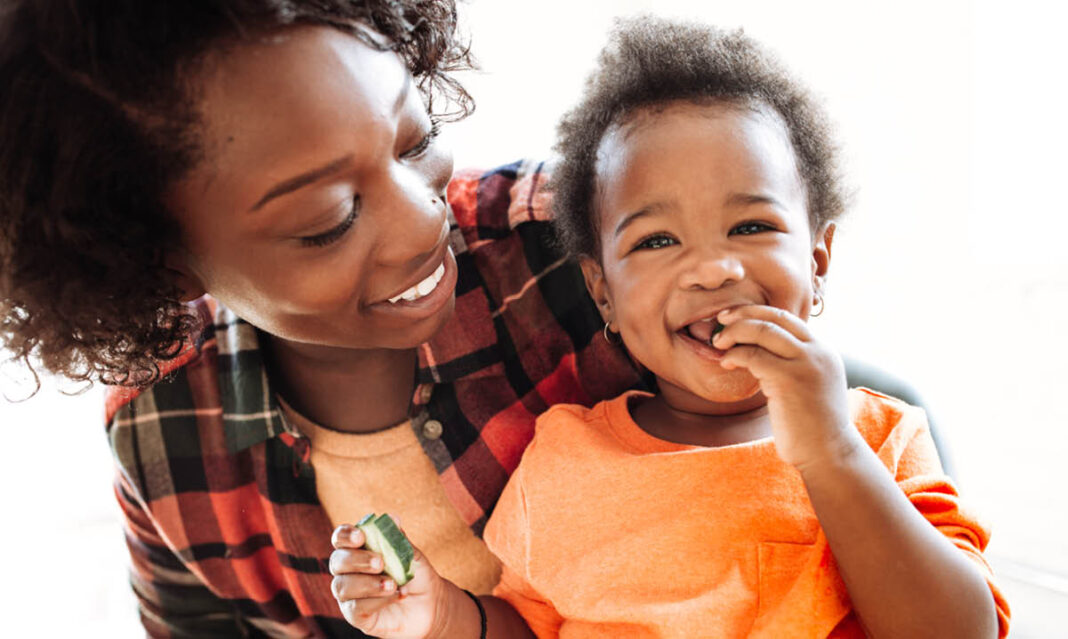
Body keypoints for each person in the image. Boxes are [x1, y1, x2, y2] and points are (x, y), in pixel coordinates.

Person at [330, 17, 1011, 638]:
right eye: (657, 241)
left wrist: (831, 452)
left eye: (751, 227)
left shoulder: (880, 438)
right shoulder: (563, 458)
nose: (712, 270)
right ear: (604, 295)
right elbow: (527, 626)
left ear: (817, 261)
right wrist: (442, 612)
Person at [0, 1, 642, 636]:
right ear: (159, 265)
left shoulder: (599, 252)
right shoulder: (159, 432)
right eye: (330, 221)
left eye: (415, 141)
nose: (424, 218)